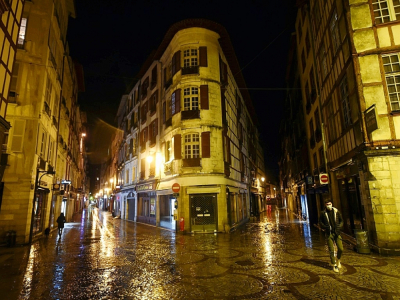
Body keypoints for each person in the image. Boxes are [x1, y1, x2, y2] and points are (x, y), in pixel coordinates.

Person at [319, 200, 344, 273]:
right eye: (327, 204)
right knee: (331, 250)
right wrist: (325, 227)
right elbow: (320, 221)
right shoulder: (323, 213)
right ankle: (334, 265)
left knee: (341, 248)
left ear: (332, 204)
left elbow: (341, 221)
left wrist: (339, 227)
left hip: (337, 233)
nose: (328, 205)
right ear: (325, 205)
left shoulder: (336, 211)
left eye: (329, 204)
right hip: (329, 234)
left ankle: (338, 260)